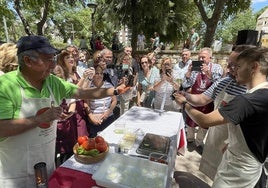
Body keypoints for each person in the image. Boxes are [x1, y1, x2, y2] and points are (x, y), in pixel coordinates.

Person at [0, 35, 121, 187]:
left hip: (47, 167)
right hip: (15, 176)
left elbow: (82, 93)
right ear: (28, 61)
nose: (53, 65)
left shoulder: (52, 82)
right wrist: (39, 119)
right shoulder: (5, 85)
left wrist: (114, 91)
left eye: (53, 58)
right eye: (48, 59)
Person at [174, 46, 268, 188]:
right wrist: (233, 143)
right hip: (244, 161)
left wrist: (184, 104)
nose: (232, 69)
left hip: (238, 172)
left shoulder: (246, 100)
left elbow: (204, 120)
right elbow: (202, 99)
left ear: (254, 67)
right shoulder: (263, 95)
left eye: (238, 66)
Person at [182, 47, 223, 153]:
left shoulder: (217, 67)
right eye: (199, 56)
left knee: (205, 123)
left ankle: (199, 142)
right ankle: (190, 139)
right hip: (194, 98)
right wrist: (188, 73)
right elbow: (187, 84)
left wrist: (208, 73)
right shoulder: (195, 69)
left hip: (208, 101)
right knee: (190, 120)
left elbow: (219, 82)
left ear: (210, 57)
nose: (200, 59)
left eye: (203, 57)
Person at [86, 64, 117, 137]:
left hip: (108, 118)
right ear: (93, 75)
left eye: (101, 73)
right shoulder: (88, 87)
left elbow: (114, 100)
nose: (99, 75)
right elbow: (86, 104)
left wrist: (108, 112)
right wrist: (91, 117)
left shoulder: (109, 85)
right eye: (97, 73)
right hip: (94, 120)